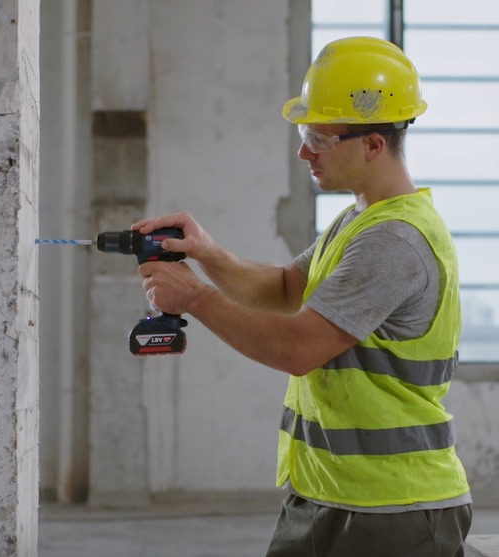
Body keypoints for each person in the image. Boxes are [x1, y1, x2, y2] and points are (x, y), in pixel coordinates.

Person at [133, 36, 472, 557]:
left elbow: (297, 348)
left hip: (391, 509)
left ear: (372, 144)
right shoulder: (361, 220)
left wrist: (195, 299)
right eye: (303, 131)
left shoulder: (393, 240)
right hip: (326, 496)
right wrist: (206, 251)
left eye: (319, 135)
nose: (303, 150)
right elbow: (288, 288)